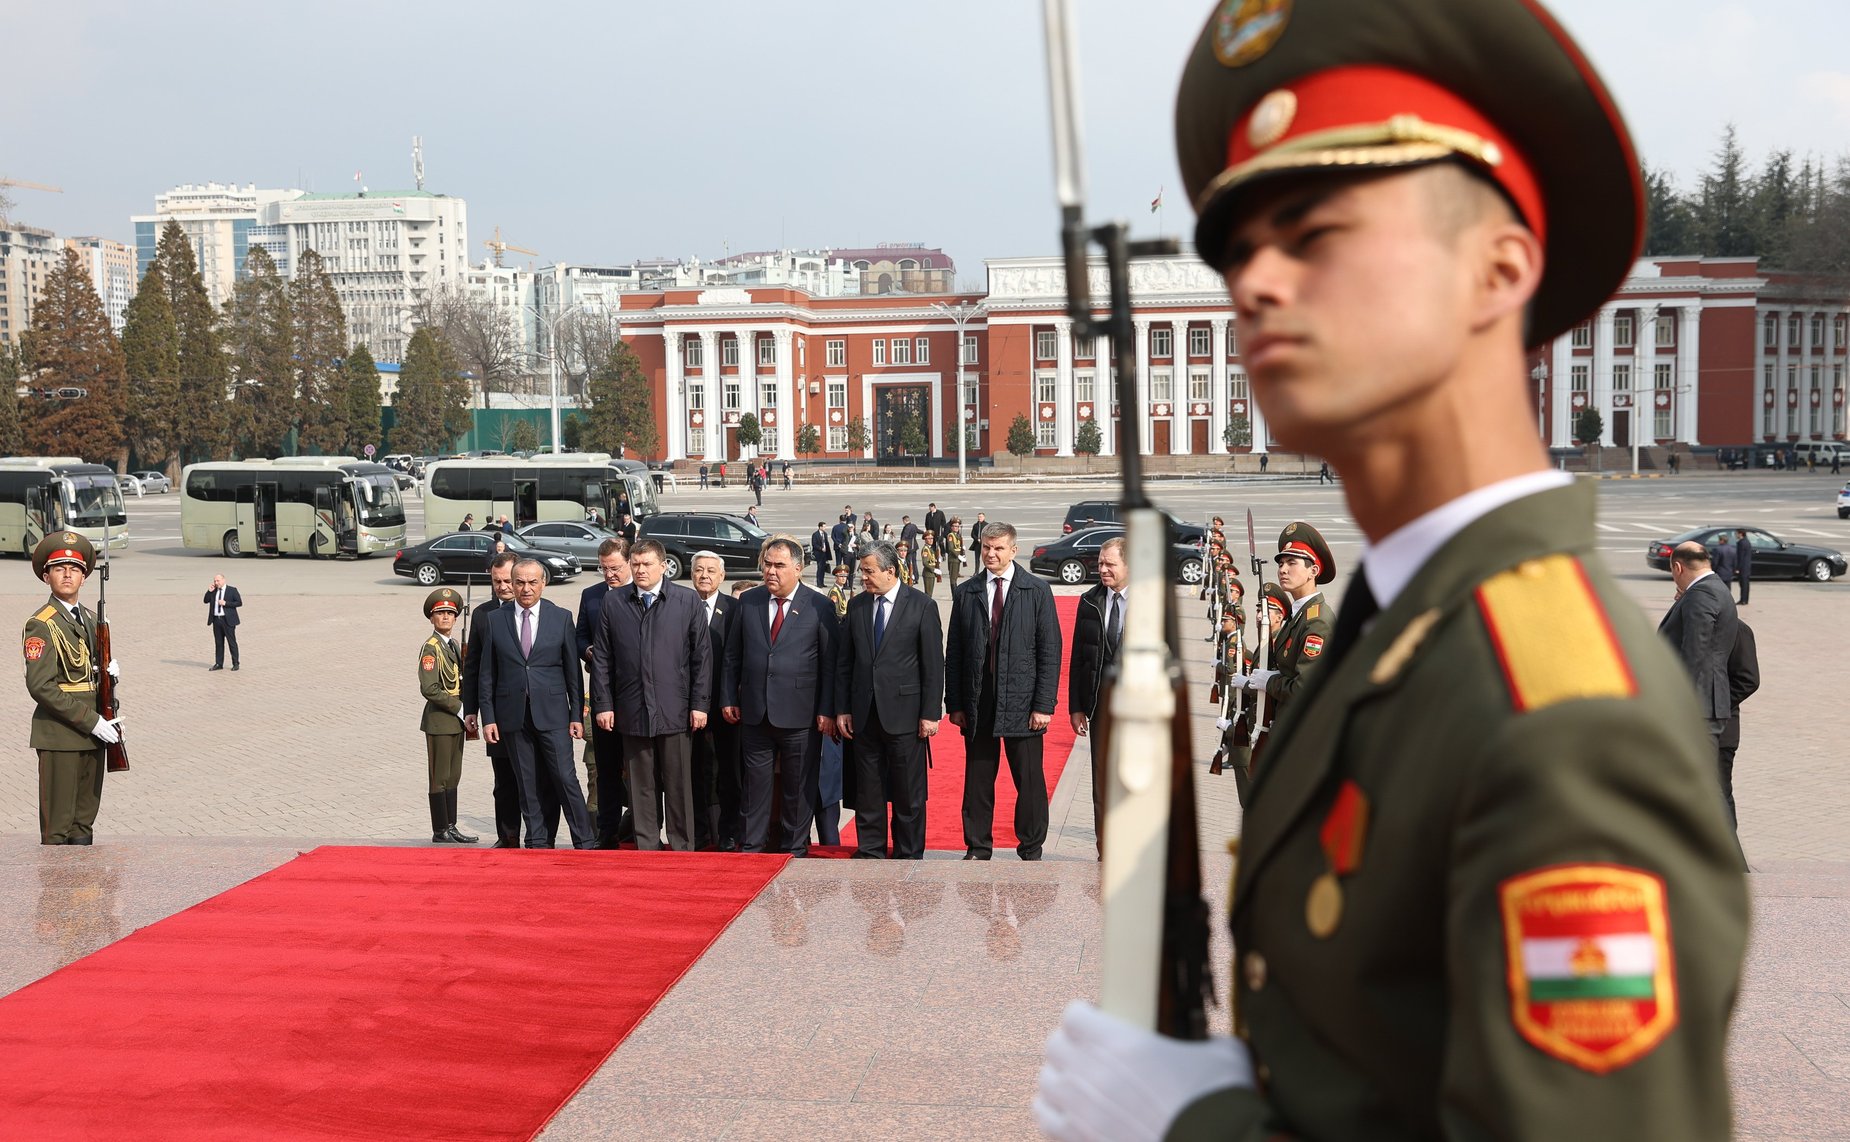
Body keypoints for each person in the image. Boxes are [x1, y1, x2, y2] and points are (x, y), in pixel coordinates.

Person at [1037, 4, 1748, 1137]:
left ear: (1497, 268)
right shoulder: (1402, 636)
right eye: (1237, 247)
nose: (1255, 281)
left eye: (1313, 231)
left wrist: (1197, 1128)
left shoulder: (1559, 717)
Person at [945, 522, 1061, 861]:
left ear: (1014, 550)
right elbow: (954, 652)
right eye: (986, 548)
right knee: (978, 779)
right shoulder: (967, 592)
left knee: (1029, 780)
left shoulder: (1035, 590)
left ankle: (1030, 846)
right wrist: (955, 702)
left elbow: (1050, 651)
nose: (991, 554)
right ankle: (978, 846)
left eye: (998, 549)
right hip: (979, 700)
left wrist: (1043, 704)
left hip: (1023, 702)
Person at [720, 536, 839, 855]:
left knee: (798, 787)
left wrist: (826, 710)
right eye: (767, 564)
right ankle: (753, 846)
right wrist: (729, 697)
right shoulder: (749, 601)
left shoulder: (820, 606)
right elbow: (733, 655)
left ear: (798, 569)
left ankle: (794, 847)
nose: (770, 571)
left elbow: (830, 664)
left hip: (801, 714)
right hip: (755, 712)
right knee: (755, 786)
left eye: (779, 565)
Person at [591, 539, 711, 852]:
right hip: (632, 708)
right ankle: (647, 844)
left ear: (663, 566)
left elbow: (701, 658)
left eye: (647, 564)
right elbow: (602, 659)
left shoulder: (686, 600)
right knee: (641, 784)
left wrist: (700, 704)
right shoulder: (615, 602)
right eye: (636, 564)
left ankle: (682, 843)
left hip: (676, 708)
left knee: (677, 782)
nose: (641, 570)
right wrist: (603, 705)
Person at [836, 541, 944, 859]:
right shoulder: (857, 606)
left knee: (907, 791)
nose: (863, 578)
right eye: (862, 571)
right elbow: (845, 663)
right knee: (868, 790)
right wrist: (843, 708)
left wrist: (930, 713)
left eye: (869, 571)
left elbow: (933, 665)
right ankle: (871, 850)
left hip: (906, 715)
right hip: (864, 714)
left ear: (890, 571)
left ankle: (908, 852)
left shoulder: (921, 605)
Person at [479, 558, 594, 848]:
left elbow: (573, 673)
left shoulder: (561, 617)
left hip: (554, 714)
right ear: (512, 584)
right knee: (526, 783)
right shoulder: (495, 620)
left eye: (532, 582)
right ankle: (538, 841)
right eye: (519, 582)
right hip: (512, 716)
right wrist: (488, 717)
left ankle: (585, 840)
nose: (525, 588)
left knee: (565, 778)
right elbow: (486, 674)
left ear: (543, 583)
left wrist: (576, 715)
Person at [23, 532, 115, 845]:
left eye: (74, 569)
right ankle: (55, 894)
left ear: (85, 577)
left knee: (83, 824)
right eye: (59, 568)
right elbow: (40, 686)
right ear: (46, 576)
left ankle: (86, 893)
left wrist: (110, 678)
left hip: (93, 733)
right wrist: (92, 721)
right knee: (58, 826)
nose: (67, 574)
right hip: (61, 735)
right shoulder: (42, 623)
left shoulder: (92, 619)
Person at [1225, 523, 1336, 750]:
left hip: (1303, 736)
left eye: (1292, 563)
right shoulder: (1299, 615)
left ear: (1313, 571)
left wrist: (1269, 681)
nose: (1283, 569)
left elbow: (1303, 688)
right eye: (1281, 563)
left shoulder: (1316, 621)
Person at [465, 552, 550, 847]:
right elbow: (474, 666)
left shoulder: (544, 610)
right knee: (505, 781)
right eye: (496, 581)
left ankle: (540, 836)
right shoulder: (483, 615)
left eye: (506, 581)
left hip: (535, 711)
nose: (502, 587)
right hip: (500, 713)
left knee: (538, 777)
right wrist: (472, 709)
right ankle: (508, 835)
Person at [1068, 535, 1126, 860]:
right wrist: (1077, 706)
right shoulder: (1089, 601)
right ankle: (1106, 850)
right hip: (1100, 706)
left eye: (1110, 564)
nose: (1102, 569)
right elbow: (1078, 657)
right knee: (1102, 784)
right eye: (1101, 563)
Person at [575, 538, 633, 847]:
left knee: (639, 768)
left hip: (636, 696)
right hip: (602, 693)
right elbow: (579, 635)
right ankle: (606, 832)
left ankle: (639, 828)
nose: (609, 574)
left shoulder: (640, 593)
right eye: (604, 568)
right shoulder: (592, 595)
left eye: (615, 568)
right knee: (605, 768)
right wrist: (588, 650)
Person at [1660, 542, 1741, 747]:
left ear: (1678, 568)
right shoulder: (1717, 588)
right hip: (1706, 702)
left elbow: (1694, 652)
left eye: (1672, 571)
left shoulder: (1701, 595)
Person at [688, 552, 740, 849]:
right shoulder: (681, 604)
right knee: (695, 771)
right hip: (689, 707)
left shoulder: (734, 609)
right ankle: (699, 832)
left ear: (722, 576)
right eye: (698, 570)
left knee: (728, 771)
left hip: (725, 706)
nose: (704, 575)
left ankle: (729, 832)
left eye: (711, 571)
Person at [417, 588, 477, 844]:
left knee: (453, 776)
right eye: (440, 613)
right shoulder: (431, 649)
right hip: (441, 721)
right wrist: (458, 707)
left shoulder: (452, 645)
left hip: (455, 723)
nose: (445, 618)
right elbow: (429, 688)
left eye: (450, 614)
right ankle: (440, 829)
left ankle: (451, 826)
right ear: (431, 618)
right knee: (440, 777)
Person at [1718, 621, 1759, 835]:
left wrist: (1715, 706)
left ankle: (1734, 861)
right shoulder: (1691, 621)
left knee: (1721, 795)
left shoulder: (1738, 629)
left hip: (1723, 730)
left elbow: (1748, 680)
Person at [204, 574, 242, 671]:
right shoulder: (214, 591)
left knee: (231, 642)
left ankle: (235, 663)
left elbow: (239, 602)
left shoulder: (232, 590)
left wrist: (226, 603)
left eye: (218, 581)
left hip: (228, 620)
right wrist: (209, 591)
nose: (216, 583)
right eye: (215, 581)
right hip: (217, 620)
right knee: (219, 643)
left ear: (224, 580)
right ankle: (219, 663)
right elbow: (205, 600)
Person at [944, 520, 966, 591]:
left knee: (955, 577)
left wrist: (962, 550)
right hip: (953, 559)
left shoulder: (958, 535)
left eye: (957, 526)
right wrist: (958, 556)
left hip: (957, 559)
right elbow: (951, 548)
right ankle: (954, 595)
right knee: (953, 578)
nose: (956, 528)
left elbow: (958, 546)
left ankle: (955, 593)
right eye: (955, 526)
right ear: (951, 527)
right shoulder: (951, 535)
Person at [1735, 528, 1754, 605]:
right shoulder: (1746, 542)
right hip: (1746, 566)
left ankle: (1743, 600)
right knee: (1745, 583)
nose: (1735, 535)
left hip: (1743, 567)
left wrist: (1737, 568)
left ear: (1740, 534)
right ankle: (1745, 599)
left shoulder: (1741, 543)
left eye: (1736, 533)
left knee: (1743, 584)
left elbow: (1740, 556)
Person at [811, 522, 832, 587]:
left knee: (823, 569)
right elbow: (814, 544)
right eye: (824, 526)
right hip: (818, 553)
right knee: (819, 568)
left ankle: (822, 582)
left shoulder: (825, 534)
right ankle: (819, 583)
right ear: (820, 527)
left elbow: (827, 543)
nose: (825, 528)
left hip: (824, 554)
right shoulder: (815, 534)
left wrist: (828, 554)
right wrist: (821, 548)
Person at [920, 531, 940, 597]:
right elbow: (925, 563)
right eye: (929, 538)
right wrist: (933, 569)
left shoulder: (930, 548)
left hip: (931, 574)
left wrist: (937, 560)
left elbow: (931, 559)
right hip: (928, 573)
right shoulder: (925, 549)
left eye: (932, 538)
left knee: (930, 593)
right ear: (925, 540)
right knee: (928, 594)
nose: (931, 540)